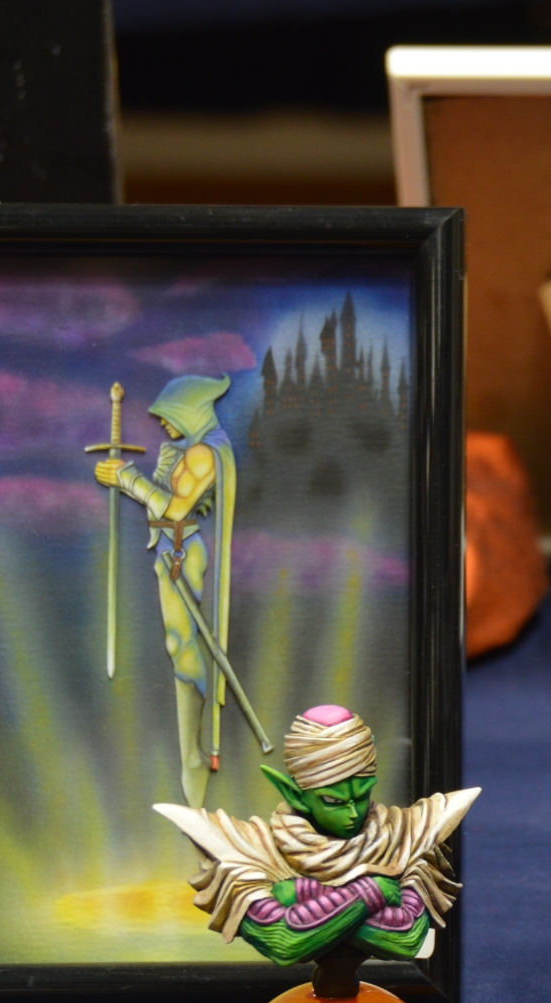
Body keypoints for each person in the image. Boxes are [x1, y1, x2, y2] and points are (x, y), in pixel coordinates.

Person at [155, 705, 475, 969]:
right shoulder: (255, 848)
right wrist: (375, 890)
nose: (353, 813)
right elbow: (284, 940)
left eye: (362, 796)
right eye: (333, 801)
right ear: (294, 794)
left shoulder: (405, 836)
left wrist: (299, 894)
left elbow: (406, 936)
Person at [93, 375, 236, 804]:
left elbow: (175, 510)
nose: (161, 424)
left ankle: (192, 756)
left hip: (181, 549)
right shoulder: (189, 449)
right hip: (171, 547)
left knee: (182, 644)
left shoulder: (204, 453)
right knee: (179, 644)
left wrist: (128, 480)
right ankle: (190, 754)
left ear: (188, 410)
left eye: (168, 416)